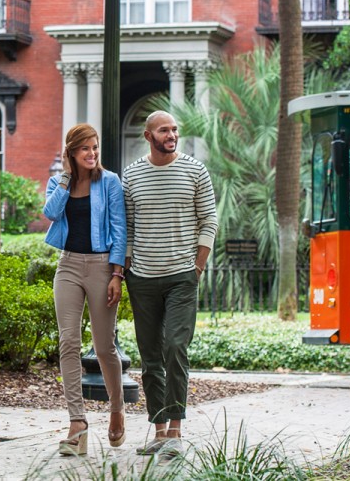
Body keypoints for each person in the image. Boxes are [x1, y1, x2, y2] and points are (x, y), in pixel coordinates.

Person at [121, 111, 218, 457]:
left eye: (175, 129)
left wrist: (199, 264)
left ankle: (176, 432)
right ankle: (159, 431)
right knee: (150, 357)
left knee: (175, 347)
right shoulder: (131, 176)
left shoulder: (195, 170)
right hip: (143, 278)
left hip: (181, 276)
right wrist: (126, 267)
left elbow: (209, 217)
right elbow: (128, 227)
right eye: (165, 130)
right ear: (149, 136)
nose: (172, 134)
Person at [43, 123, 128, 456]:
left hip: (102, 266)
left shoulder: (109, 182)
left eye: (95, 148)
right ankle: (77, 423)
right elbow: (50, 212)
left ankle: (117, 408)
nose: (92, 154)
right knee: (68, 341)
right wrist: (66, 178)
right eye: (85, 149)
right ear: (71, 153)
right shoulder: (58, 182)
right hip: (67, 266)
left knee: (104, 347)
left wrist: (117, 274)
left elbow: (120, 229)